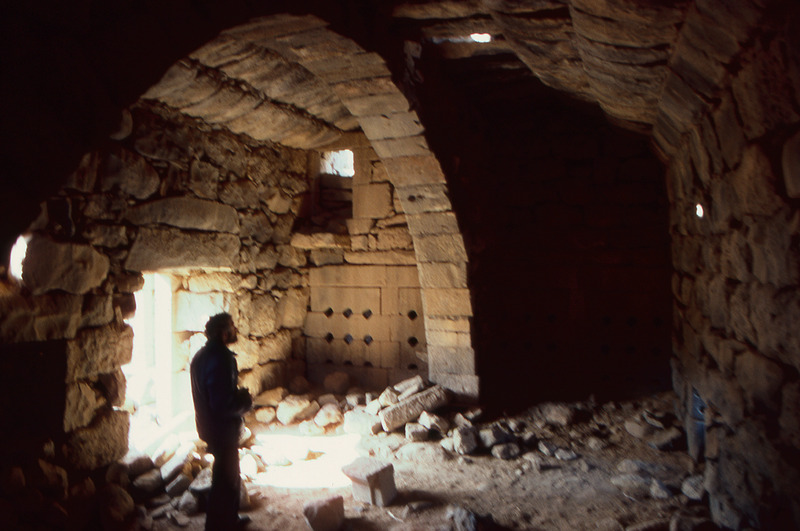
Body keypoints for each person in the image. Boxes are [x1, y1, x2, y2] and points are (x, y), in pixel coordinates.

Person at [190, 313, 253, 530]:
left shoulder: (200, 356)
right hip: (222, 430)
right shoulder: (222, 359)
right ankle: (220, 526)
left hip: (208, 427)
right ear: (224, 333)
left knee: (227, 478)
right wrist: (244, 401)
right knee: (225, 482)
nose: (235, 330)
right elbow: (222, 405)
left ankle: (228, 521)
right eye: (232, 327)